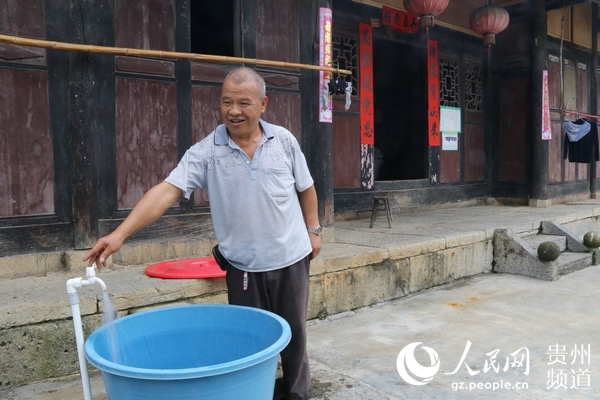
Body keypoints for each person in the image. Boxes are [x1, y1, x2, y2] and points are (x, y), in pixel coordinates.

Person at [84, 66, 322, 400]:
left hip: (291, 258)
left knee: (295, 337)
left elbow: (306, 188)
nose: (233, 111)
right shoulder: (206, 152)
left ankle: (299, 394)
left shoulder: (283, 140)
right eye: (226, 102)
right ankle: (259, 392)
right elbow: (165, 192)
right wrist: (120, 234)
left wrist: (313, 230)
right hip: (243, 267)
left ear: (263, 104)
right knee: (250, 341)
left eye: (243, 102)